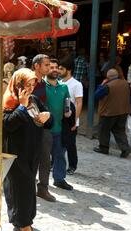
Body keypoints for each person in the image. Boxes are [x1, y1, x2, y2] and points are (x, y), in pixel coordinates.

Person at [3, 68, 52, 231]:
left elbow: (48, 119)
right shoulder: (9, 102)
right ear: (18, 85)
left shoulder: (35, 99)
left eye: (33, 85)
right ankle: (23, 224)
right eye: (27, 85)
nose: (31, 89)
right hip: (15, 153)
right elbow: (7, 124)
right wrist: (22, 107)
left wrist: (47, 116)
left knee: (29, 186)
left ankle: (24, 219)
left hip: (33, 151)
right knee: (19, 187)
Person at [44, 58, 74, 191]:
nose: (55, 69)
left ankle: (59, 179)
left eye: (57, 67)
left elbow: (67, 101)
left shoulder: (64, 87)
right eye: (51, 67)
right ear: (46, 69)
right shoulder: (41, 86)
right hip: (43, 129)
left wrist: (68, 111)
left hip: (59, 128)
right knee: (43, 157)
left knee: (60, 155)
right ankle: (41, 183)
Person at [31, 54, 56, 202]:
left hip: (43, 125)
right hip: (28, 125)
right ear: (36, 66)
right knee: (29, 157)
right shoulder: (28, 80)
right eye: (46, 65)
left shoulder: (45, 83)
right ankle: (28, 186)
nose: (49, 67)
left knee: (46, 157)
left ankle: (43, 188)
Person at [94, 68, 131, 158]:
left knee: (103, 130)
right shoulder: (126, 83)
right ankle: (125, 149)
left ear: (108, 77)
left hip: (109, 112)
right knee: (119, 130)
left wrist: (102, 84)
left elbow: (97, 95)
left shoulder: (108, 86)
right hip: (123, 111)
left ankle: (104, 148)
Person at [59, 58, 83, 175]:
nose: (58, 71)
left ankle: (73, 165)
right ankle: (57, 164)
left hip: (71, 120)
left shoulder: (76, 84)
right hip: (60, 119)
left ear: (68, 70)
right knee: (59, 143)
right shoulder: (59, 83)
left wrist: (75, 120)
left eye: (61, 69)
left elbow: (79, 103)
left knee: (70, 144)